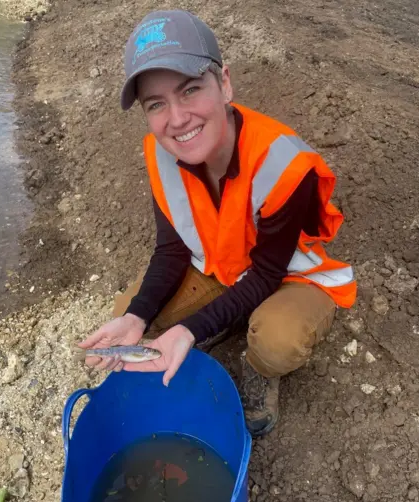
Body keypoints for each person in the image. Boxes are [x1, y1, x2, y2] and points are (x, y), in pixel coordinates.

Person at [78, 9, 357, 437]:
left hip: (289, 276)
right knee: (131, 320)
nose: (177, 118)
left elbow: (266, 274)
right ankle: (219, 320)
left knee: (277, 342)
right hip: (221, 265)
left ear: (224, 82)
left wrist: (191, 328)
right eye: (156, 104)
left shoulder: (283, 163)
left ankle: (258, 368)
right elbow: (171, 250)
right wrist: (136, 316)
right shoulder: (160, 154)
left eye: (189, 90)